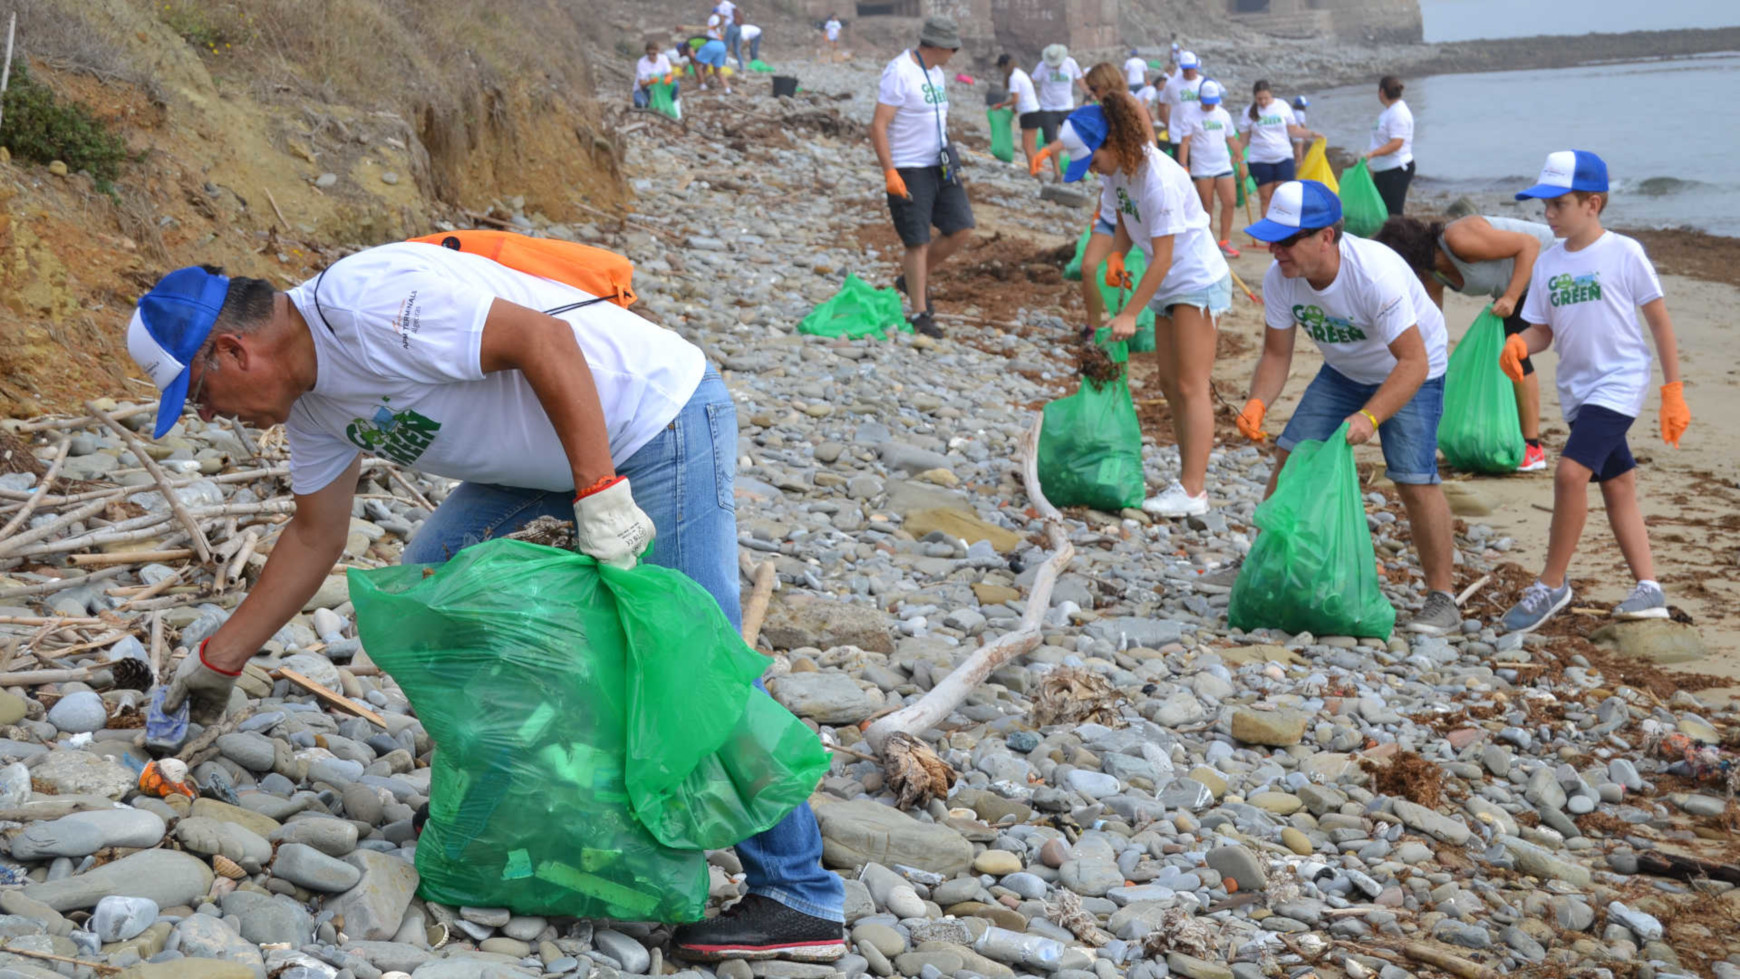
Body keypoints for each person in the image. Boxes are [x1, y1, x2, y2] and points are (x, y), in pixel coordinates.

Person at [131, 246, 849, 959]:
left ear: (231, 351)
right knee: (439, 584)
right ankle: (532, 801)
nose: (211, 415)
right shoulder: (313, 407)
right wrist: (217, 660)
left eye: (200, 397)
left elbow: (546, 339)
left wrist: (599, 491)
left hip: (653, 420)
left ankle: (797, 893)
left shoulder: (368, 305)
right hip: (547, 459)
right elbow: (316, 536)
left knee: (694, 653)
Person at [1235, 180, 1461, 636]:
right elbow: (1277, 356)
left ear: (1326, 236)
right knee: (1292, 455)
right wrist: (1257, 402)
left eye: (1287, 240)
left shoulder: (1374, 274)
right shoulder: (1281, 278)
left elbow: (1413, 362)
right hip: (1344, 371)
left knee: (1413, 478)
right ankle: (1265, 565)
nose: (1275, 250)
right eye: (1271, 238)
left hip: (1415, 367)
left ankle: (1443, 598)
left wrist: (1371, 417)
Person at [1496, 151, 1690, 633]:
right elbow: (1544, 328)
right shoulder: (1548, 263)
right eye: (1544, 204)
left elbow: (1659, 322)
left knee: (1569, 474)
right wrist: (1521, 342)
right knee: (1618, 483)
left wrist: (1673, 390)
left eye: (1558, 204)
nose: (1548, 214)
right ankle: (1649, 589)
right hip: (1577, 390)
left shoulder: (1624, 253)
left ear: (1592, 204)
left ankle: (1552, 584)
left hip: (1620, 381)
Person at [1054, 98, 1232, 518]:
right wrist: (1116, 256)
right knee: (1170, 385)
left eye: (1093, 159)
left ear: (1113, 141)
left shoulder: (1160, 178)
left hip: (1195, 281)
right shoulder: (1117, 174)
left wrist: (1131, 313)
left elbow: (1165, 256)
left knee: (1192, 385)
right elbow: (1123, 225)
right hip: (1166, 285)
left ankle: (1193, 491)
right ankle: (1187, 479)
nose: (1093, 169)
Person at [1372, 213, 1559, 472]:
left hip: (1554, 264)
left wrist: (1510, 298)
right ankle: (1522, 439)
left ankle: (1532, 448)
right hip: (1524, 286)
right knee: (1506, 353)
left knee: (1515, 352)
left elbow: (1530, 245)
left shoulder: (1458, 239)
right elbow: (1431, 323)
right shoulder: (1433, 275)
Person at [870, 16, 972, 340]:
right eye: (952, 47)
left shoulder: (938, 73)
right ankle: (919, 314)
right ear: (938, 46)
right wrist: (890, 172)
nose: (954, 53)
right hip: (909, 167)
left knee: (961, 227)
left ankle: (910, 279)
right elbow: (878, 125)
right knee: (917, 240)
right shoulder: (899, 71)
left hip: (939, 164)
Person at [1177, 79, 1244, 259]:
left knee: (1229, 201)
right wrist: (1184, 165)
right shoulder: (1191, 116)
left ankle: (1224, 241)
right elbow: (1185, 143)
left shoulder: (1223, 115)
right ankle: (1207, 243)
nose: (1209, 106)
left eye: (1212, 102)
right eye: (1206, 102)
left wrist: (1241, 160)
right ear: (1200, 99)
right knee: (1207, 206)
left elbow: (1232, 139)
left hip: (1222, 164)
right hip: (1202, 166)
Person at [1236, 80, 1318, 216]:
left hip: (1283, 157)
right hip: (1259, 160)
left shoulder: (1282, 106)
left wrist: (1311, 134)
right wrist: (1239, 161)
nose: (1263, 102)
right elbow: (1243, 141)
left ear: (1271, 94)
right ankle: (1269, 236)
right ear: (1255, 97)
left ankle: (1284, 233)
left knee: (1284, 197)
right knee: (1266, 198)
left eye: (1266, 98)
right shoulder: (1248, 112)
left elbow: (1293, 130)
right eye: (1259, 99)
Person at [1362, 75, 1415, 216]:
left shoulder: (1398, 112)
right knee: (1382, 211)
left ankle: (1397, 238)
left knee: (1393, 212)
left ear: (1381, 92)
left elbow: (1397, 143)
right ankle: (1386, 237)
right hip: (1384, 169)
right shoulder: (1389, 111)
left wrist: (1372, 154)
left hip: (1396, 168)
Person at [1032, 44, 1086, 179]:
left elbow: (1080, 81)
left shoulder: (1071, 63)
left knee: (1073, 139)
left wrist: (1090, 94)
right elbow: (1032, 81)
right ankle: (1057, 172)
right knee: (1052, 141)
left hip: (1067, 107)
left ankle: (1077, 171)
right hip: (1048, 108)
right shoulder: (1042, 66)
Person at [993, 53, 1042, 173]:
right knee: (1032, 145)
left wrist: (1000, 105)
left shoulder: (1014, 77)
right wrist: (1014, 110)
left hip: (1028, 113)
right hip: (1035, 111)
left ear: (1004, 66)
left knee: (1027, 146)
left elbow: (1015, 98)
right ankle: (1035, 169)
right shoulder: (1021, 73)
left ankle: (1034, 172)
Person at [1158, 50, 1203, 160]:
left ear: (1196, 67)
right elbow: (1162, 103)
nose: (1188, 72)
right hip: (1178, 134)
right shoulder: (1172, 84)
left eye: (1191, 68)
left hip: (1199, 134)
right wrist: (1167, 123)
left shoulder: (1203, 83)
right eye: (1185, 69)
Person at [632, 41, 679, 113]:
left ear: (658, 51)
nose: (651, 56)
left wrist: (668, 78)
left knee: (675, 84)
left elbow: (668, 73)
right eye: (649, 54)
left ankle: (670, 102)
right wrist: (650, 82)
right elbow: (641, 84)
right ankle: (650, 102)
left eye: (653, 54)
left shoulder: (663, 58)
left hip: (660, 87)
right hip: (645, 89)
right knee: (641, 104)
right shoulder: (642, 62)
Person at [724, 4, 746, 72]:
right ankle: (742, 67)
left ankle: (721, 65)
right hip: (738, 28)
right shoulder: (735, 10)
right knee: (737, 49)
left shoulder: (725, 7)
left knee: (724, 47)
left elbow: (722, 19)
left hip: (731, 27)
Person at [1290, 95, 1310, 164]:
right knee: (1299, 150)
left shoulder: (1292, 111)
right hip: (1299, 133)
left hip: (1292, 133)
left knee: (1295, 149)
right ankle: (1299, 163)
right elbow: (1303, 125)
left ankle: (1296, 162)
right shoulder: (1301, 113)